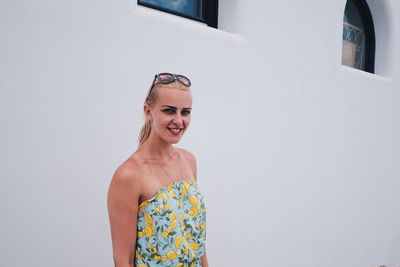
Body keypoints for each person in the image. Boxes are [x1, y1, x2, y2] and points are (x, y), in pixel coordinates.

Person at [107, 73, 208, 267]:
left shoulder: (189, 160)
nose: (179, 121)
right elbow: (122, 260)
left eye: (185, 112)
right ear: (148, 111)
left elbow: (197, 241)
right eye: (169, 111)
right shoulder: (128, 176)